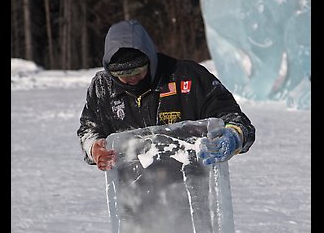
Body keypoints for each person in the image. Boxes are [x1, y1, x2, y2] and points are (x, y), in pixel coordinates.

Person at [77, 19, 255, 171]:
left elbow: (237, 119)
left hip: (192, 191)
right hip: (134, 197)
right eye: (122, 75)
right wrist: (95, 148)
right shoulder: (103, 88)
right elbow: (89, 129)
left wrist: (234, 136)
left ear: (150, 59)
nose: (131, 79)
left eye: (138, 70)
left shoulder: (187, 77)